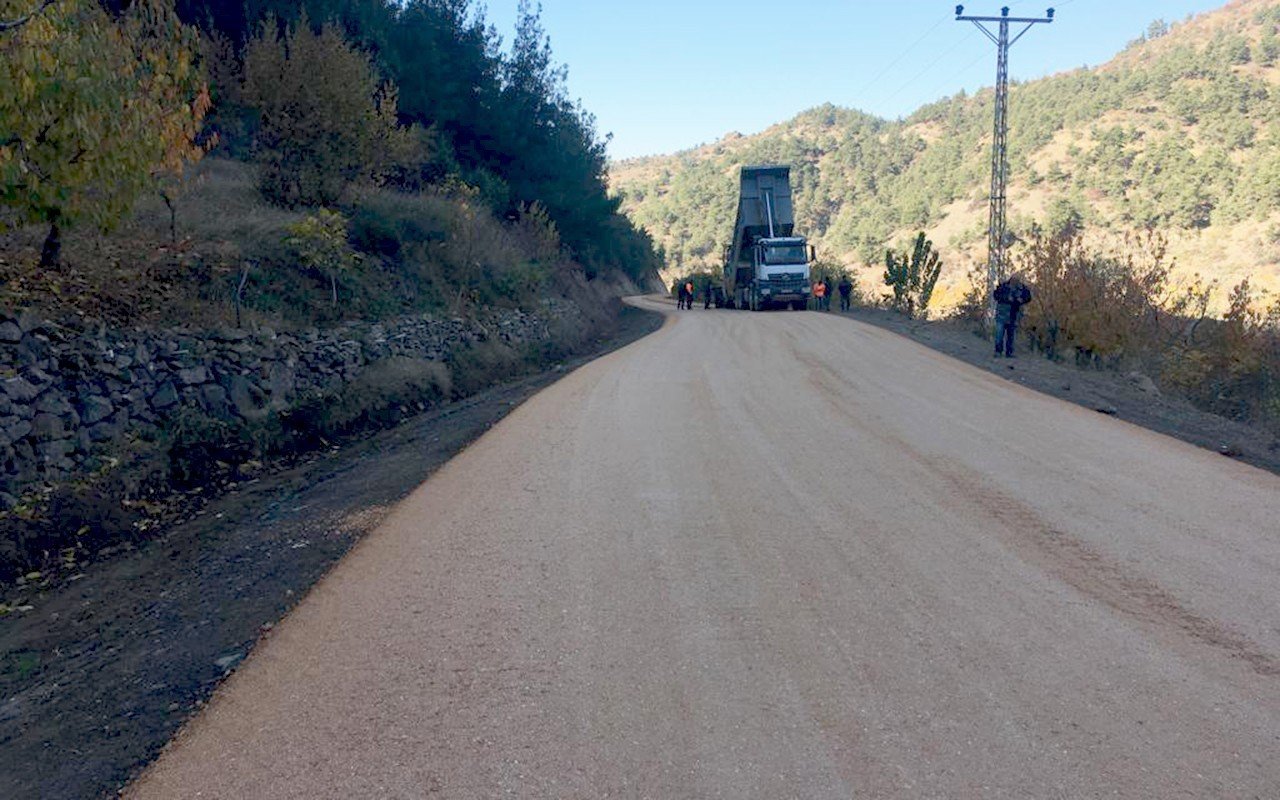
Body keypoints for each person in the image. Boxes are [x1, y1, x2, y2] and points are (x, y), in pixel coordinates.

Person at [993, 272, 1033, 357]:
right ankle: (998, 351)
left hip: (1013, 314)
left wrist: (1021, 300)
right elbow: (996, 295)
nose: (1015, 281)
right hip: (1002, 313)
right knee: (999, 333)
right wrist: (1006, 298)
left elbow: (1028, 297)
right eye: (1014, 279)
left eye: (1017, 279)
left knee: (1010, 335)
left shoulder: (1022, 288)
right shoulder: (1004, 286)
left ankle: (1009, 352)